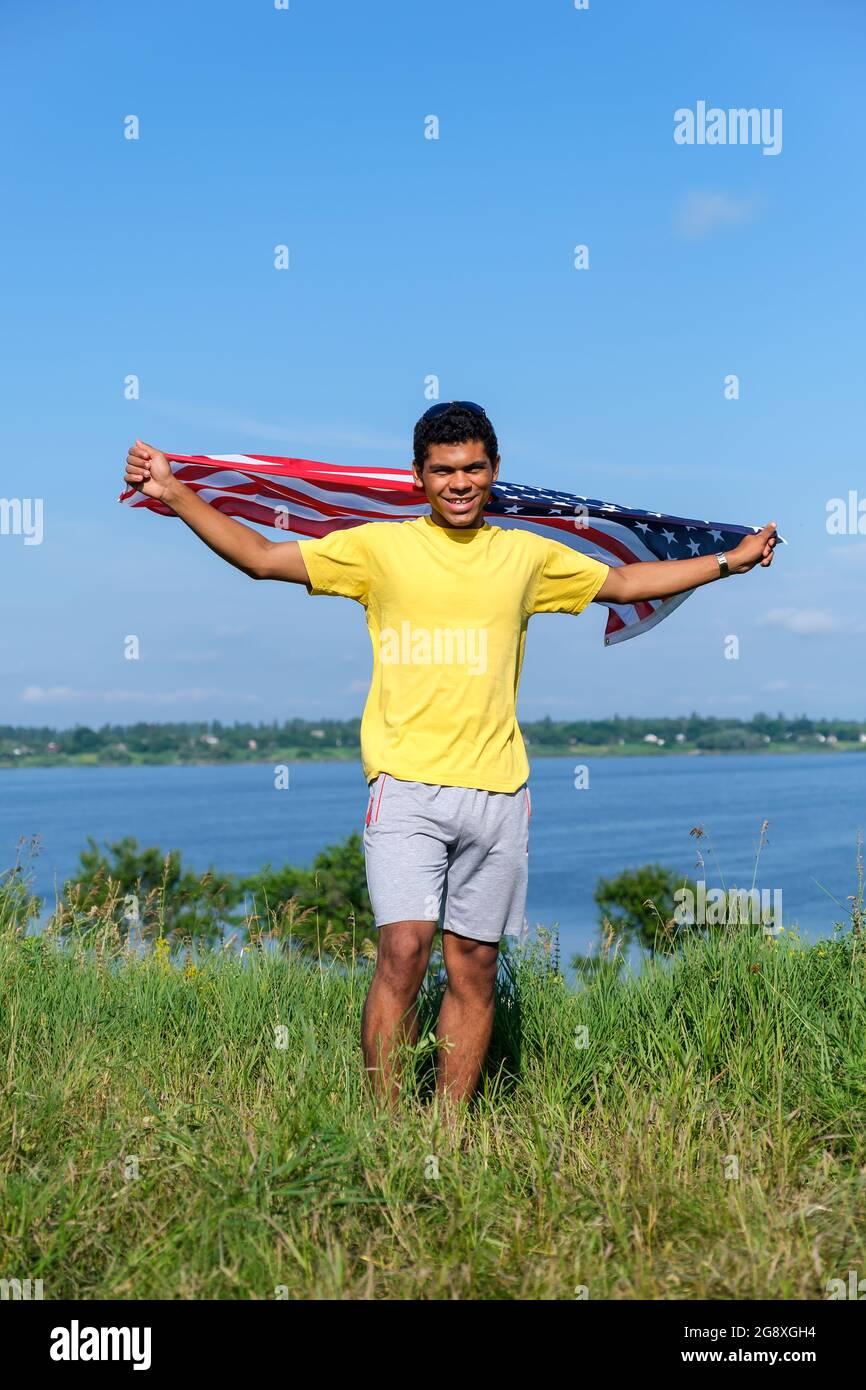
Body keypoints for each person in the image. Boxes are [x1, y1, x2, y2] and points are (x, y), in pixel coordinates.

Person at [124, 402, 778, 1112]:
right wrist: (176, 492)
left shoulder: (527, 557)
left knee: (475, 966)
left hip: (499, 792)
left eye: (472, 469)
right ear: (418, 476)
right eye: (443, 471)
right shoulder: (377, 549)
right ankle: (383, 1126)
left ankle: (445, 1136)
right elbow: (259, 559)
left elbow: (621, 585)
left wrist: (726, 564)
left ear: (493, 472)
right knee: (403, 951)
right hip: (405, 786)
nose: (459, 483)